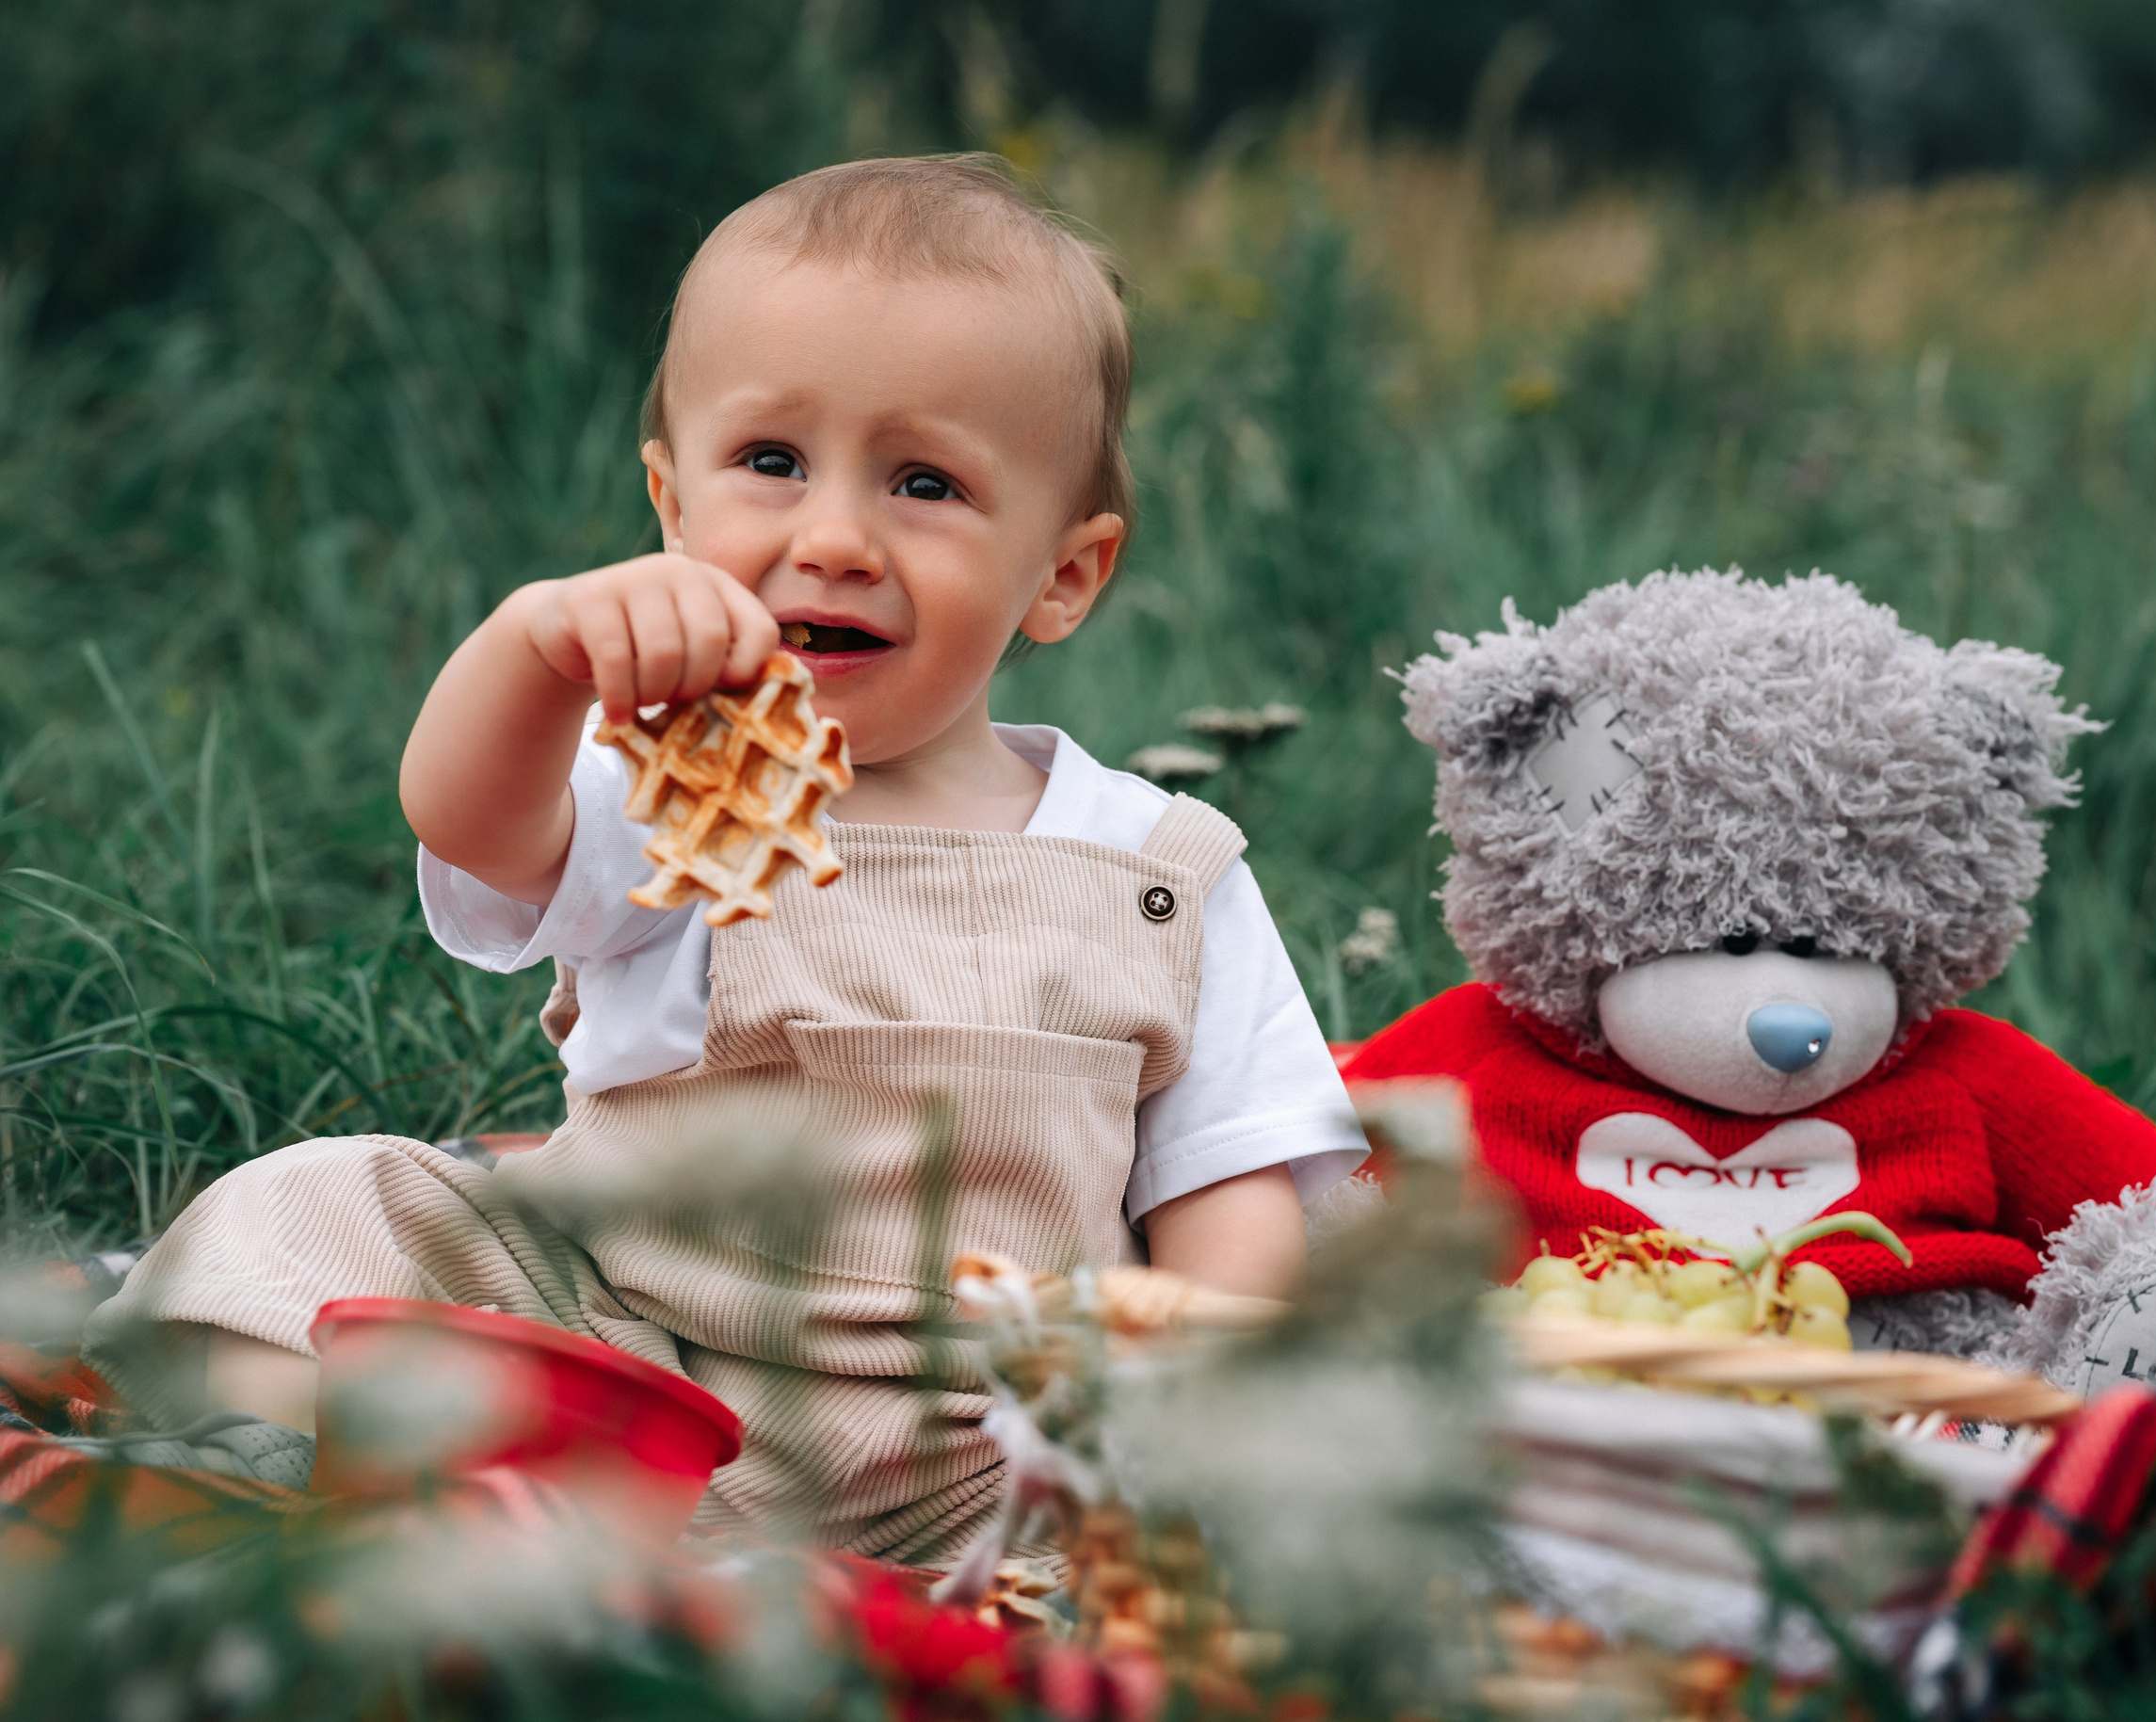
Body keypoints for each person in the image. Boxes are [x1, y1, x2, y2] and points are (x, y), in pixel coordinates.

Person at [85, 155, 1365, 1551]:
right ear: (672, 507)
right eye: (772, 462)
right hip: (624, 1365)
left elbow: (1226, 1195)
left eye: (924, 481)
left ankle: (547, 1544)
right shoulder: (667, 787)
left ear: (1063, 572)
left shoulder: (1163, 866)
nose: (832, 536)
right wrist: (538, 646)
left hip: (988, 1455)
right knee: (301, 1209)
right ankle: (355, 1479)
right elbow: (473, 823)